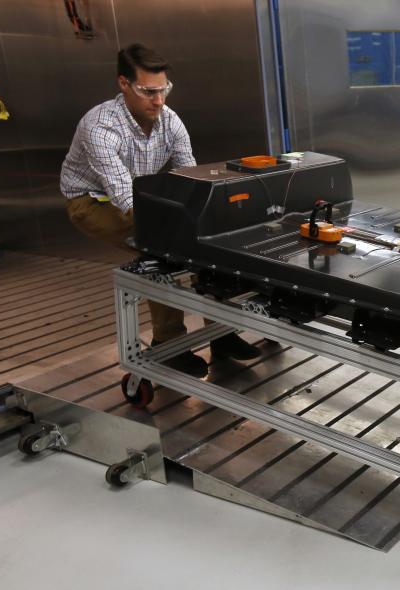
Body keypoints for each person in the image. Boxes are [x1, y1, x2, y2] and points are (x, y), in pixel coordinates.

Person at [60, 43, 260, 376]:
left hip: (145, 194)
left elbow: (191, 175)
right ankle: (168, 346)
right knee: (160, 248)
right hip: (92, 201)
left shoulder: (169, 120)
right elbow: (124, 197)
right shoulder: (100, 127)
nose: (159, 100)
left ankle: (222, 333)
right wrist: (179, 230)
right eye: (148, 91)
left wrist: (209, 220)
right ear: (124, 84)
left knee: (203, 239)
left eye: (164, 89)